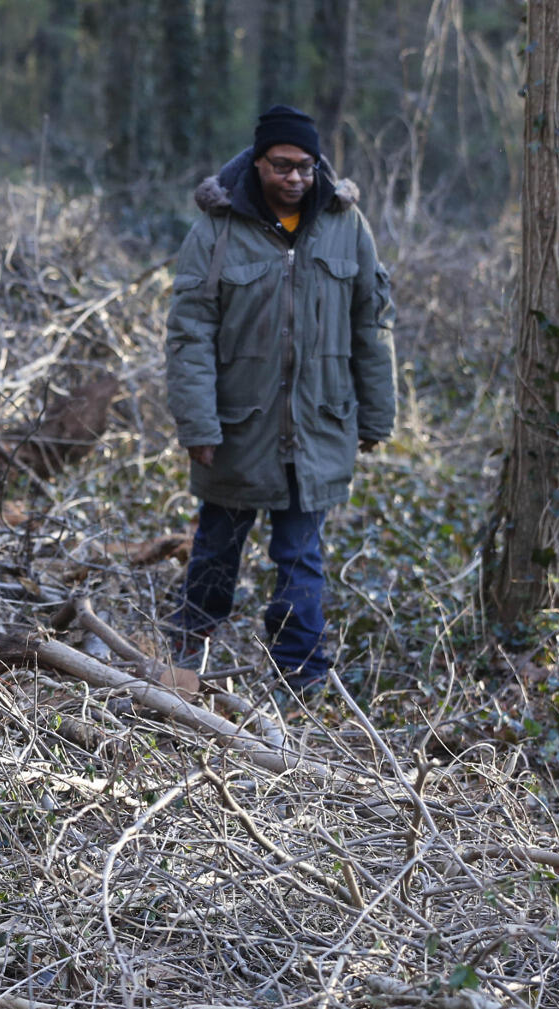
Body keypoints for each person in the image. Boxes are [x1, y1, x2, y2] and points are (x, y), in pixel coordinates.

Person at [163, 105, 395, 696]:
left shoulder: (348, 225)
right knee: (216, 551)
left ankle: (302, 681)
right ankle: (187, 662)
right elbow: (189, 335)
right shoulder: (214, 230)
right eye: (283, 165)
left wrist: (376, 414)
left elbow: (372, 324)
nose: (295, 178)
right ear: (258, 163)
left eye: (306, 167)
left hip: (319, 427)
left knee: (301, 558)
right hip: (236, 431)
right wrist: (199, 424)